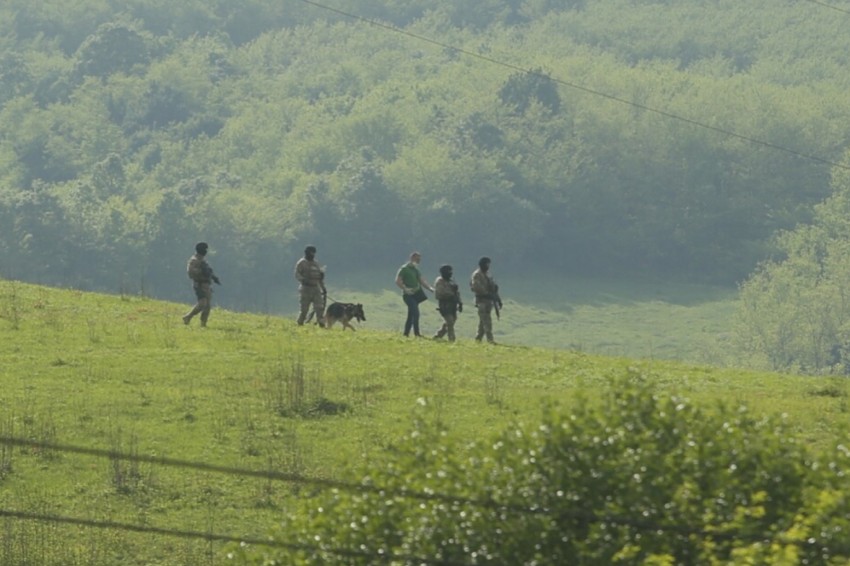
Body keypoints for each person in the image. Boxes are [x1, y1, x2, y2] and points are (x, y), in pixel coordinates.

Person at [395, 251, 434, 337]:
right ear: (412, 258)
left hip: (416, 294)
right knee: (415, 313)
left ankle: (406, 334)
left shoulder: (416, 270)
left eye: (419, 259)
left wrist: (430, 288)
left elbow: (422, 281)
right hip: (408, 295)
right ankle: (417, 333)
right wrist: (405, 288)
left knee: (411, 314)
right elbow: (398, 281)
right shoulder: (404, 269)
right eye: (417, 259)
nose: (418, 261)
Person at [183, 242, 220, 327]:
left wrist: (213, 277)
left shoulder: (202, 260)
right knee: (202, 304)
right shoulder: (194, 260)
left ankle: (203, 323)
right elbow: (190, 273)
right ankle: (188, 316)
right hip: (199, 284)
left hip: (206, 284)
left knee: (207, 306)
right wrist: (201, 271)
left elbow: (208, 271)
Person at [469, 256, 501, 343]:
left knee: (482, 322)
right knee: (487, 321)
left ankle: (478, 339)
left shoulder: (488, 274)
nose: (488, 266)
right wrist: (487, 294)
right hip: (481, 301)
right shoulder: (477, 275)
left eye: (488, 264)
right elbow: (476, 287)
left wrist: (497, 298)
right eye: (486, 264)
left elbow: (493, 287)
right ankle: (490, 340)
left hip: (488, 302)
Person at [294, 245, 326, 327]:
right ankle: (300, 323)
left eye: (313, 253)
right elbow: (297, 274)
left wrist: (323, 288)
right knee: (304, 309)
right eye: (311, 253)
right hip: (305, 288)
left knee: (319, 307)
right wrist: (303, 280)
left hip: (316, 288)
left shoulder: (316, 263)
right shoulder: (301, 263)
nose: (312, 255)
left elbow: (319, 277)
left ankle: (321, 323)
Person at [432, 264, 463, 342]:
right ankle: (452, 340)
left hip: (453, 305)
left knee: (451, 321)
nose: (450, 273)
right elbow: (439, 293)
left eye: (451, 271)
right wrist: (451, 295)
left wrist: (460, 303)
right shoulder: (440, 281)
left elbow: (457, 293)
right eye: (448, 271)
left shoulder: (451, 282)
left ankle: (438, 336)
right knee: (449, 322)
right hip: (445, 305)